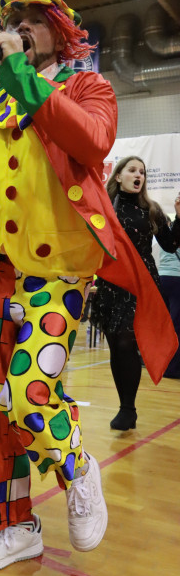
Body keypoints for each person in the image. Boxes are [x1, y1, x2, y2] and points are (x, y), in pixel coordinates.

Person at [0, 0, 177, 575]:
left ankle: (77, 469)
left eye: (31, 20)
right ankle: (13, 528)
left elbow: (93, 141)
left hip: (56, 276)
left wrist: (20, 73)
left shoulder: (87, 88)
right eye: (11, 20)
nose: (19, 26)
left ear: (59, 32)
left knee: (28, 393)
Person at [92, 159, 180, 427]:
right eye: (132, 170)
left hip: (141, 284)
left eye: (141, 172)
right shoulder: (103, 206)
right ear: (118, 176)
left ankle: (128, 409)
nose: (138, 175)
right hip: (110, 283)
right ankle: (125, 406)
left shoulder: (151, 210)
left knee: (126, 342)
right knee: (116, 346)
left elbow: (170, 244)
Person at [158, 238, 180, 379]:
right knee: (176, 325)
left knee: (167, 324)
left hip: (162, 277)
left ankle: (162, 364)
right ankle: (171, 368)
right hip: (177, 278)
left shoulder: (170, 231)